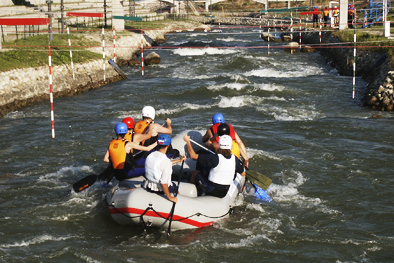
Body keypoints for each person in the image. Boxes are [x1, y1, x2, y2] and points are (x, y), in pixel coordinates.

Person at [184, 134, 245, 198]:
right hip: (224, 192)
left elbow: (193, 156)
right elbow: (243, 173)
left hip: (211, 190)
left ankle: (191, 192)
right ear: (231, 146)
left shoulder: (214, 158)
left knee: (195, 173)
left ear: (219, 145)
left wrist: (188, 142)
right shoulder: (235, 159)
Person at [144, 134, 186, 203]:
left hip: (149, 186)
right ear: (168, 145)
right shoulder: (165, 162)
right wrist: (170, 197)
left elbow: (162, 164)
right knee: (174, 186)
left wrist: (179, 160)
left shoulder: (150, 156)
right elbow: (163, 183)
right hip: (160, 189)